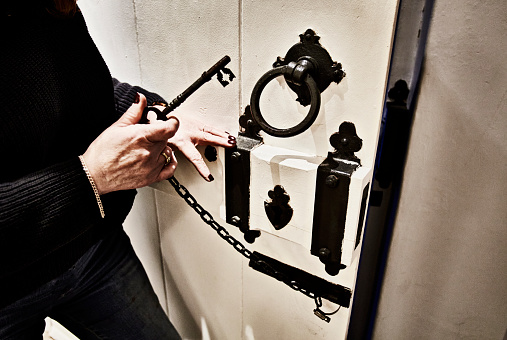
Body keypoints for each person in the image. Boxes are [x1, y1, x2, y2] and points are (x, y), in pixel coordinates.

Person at [0, 0, 235, 338]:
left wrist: (150, 114)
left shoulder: (49, 7)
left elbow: (79, 87)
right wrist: (91, 178)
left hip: (90, 246)